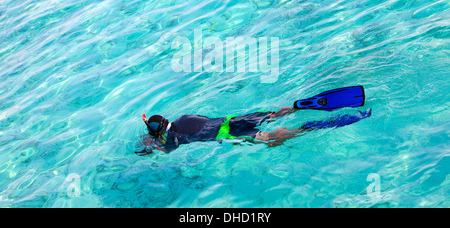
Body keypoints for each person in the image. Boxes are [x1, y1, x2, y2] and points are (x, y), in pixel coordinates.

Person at [135, 106, 372, 156]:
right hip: (232, 118)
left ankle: (304, 128)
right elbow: (205, 119)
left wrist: (150, 147)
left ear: (158, 132)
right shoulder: (184, 117)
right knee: (270, 116)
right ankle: (293, 109)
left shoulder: (174, 139)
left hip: (229, 134)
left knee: (269, 139)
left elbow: (166, 149)